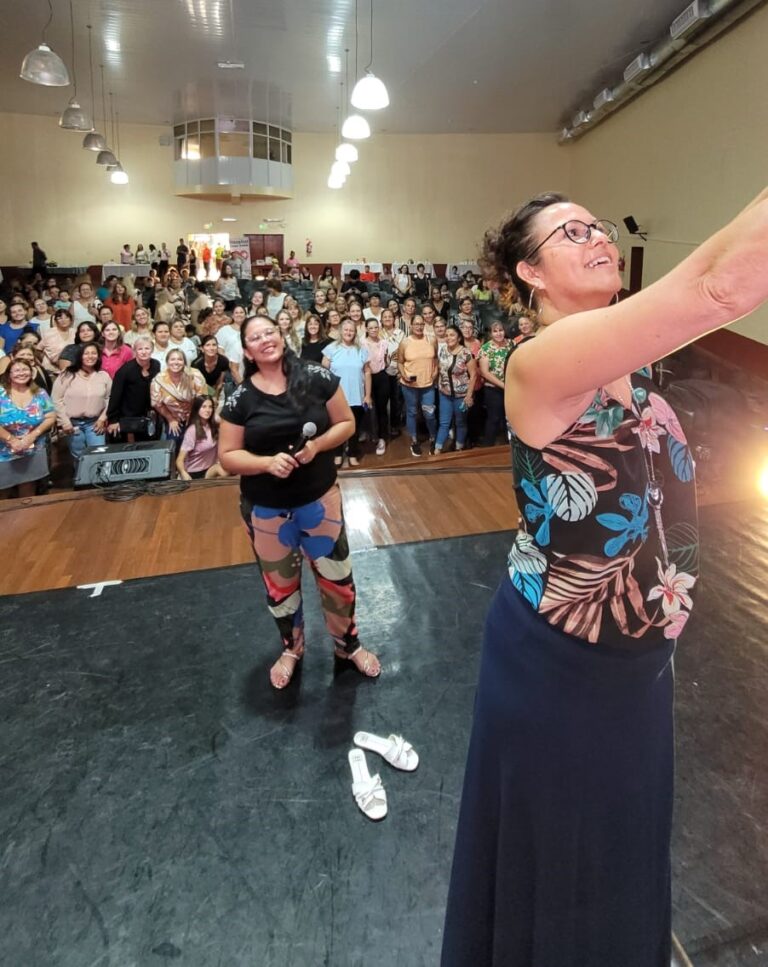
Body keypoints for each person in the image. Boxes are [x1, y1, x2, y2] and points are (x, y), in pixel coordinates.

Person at [439, 190, 765, 966]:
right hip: (559, 669)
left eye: (599, 227)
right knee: (567, 868)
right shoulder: (541, 361)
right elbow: (719, 287)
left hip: (640, 670)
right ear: (529, 272)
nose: (597, 239)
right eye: (571, 232)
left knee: (622, 856)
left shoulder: (638, 375)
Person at [218, 315, 381, 688]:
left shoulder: (316, 377)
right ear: (246, 350)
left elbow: (346, 424)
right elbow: (227, 457)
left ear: (282, 336)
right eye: (255, 337)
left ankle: (348, 646)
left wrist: (317, 446)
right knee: (281, 588)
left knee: (338, 580)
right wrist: (264, 463)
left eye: (270, 332)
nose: (265, 340)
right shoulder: (240, 398)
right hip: (266, 510)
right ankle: (292, 648)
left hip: (319, 501)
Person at [0, 357, 55, 497]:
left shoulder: (40, 393)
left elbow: (50, 417)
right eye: (16, 370)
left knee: (28, 489)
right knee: (3, 491)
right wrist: (12, 440)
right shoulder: (1, 393)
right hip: (4, 452)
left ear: (31, 373)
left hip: (33, 449)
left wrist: (32, 436)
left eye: (25, 370)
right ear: (9, 374)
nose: (21, 373)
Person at [322, 320, 371, 467]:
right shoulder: (331, 348)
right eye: (346, 330)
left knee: (354, 428)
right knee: (337, 427)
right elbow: (324, 373)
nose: (349, 332)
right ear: (341, 332)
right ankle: (337, 454)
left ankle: (352, 454)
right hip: (337, 396)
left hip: (357, 396)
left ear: (355, 333)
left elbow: (367, 372)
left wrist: (368, 395)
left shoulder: (362, 350)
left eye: (351, 330)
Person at [51, 343, 112, 463]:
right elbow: (56, 399)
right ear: (80, 356)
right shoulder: (66, 375)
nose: (90, 356)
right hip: (72, 424)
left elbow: (110, 398)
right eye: (86, 353)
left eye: (94, 353)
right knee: (79, 456)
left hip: (95, 423)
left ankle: (98, 481)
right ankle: (82, 481)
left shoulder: (103, 376)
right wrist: (64, 422)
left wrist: (103, 418)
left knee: (99, 454)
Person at [396, 314, 437, 456]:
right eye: (416, 324)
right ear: (411, 326)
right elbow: (400, 362)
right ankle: (414, 441)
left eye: (421, 324)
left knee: (429, 413)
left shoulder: (431, 340)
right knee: (412, 412)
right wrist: (404, 375)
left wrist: (435, 373)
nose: (419, 326)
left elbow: (435, 359)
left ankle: (433, 438)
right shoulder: (405, 343)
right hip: (409, 385)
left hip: (428, 384)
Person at [106, 336, 160, 441]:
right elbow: (115, 396)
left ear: (152, 350)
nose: (144, 352)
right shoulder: (125, 371)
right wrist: (113, 420)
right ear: (134, 351)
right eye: (140, 349)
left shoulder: (156, 365)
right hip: (129, 419)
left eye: (147, 348)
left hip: (150, 416)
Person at [150, 348, 206, 446]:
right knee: (173, 442)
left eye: (180, 359)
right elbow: (157, 404)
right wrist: (170, 419)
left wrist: (196, 419)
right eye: (172, 359)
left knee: (198, 444)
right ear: (167, 362)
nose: (176, 362)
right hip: (173, 417)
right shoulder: (158, 380)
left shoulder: (194, 375)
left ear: (184, 362)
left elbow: (203, 400)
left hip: (195, 416)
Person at [434, 325, 476, 454]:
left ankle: (459, 448)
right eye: (446, 335)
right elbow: (440, 370)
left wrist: (469, 396)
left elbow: (473, 375)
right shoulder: (443, 351)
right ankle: (437, 449)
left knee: (460, 422)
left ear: (458, 337)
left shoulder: (466, 353)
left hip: (461, 396)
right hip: (445, 394)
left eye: (452, 335)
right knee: (444, 423)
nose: (448, 338)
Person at [176, 395, 227, 480]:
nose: (207, 410)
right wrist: (183, 473)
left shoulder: (214, 426)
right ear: (197, 409)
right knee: (222, 470)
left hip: (209, 469)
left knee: (225, 470)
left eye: (210, 407)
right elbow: (179, 460)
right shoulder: (192, 431)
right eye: (204, 407)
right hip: (194, 473)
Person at [477, 320, 512, 446]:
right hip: (493, 389)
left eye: (501, 330)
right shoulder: (486, 348)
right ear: (491, 334)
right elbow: (485, 373)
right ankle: (488, 448)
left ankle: (511, 447)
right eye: (495, 331)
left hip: (511, 388)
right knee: (494, 419)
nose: (498, 334)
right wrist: (504, 386)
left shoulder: (511, 344)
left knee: (510, 419)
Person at [364, 318, 390, 455]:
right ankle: (370, 434)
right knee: (369, 408)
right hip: (366, 378)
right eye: (371, 328)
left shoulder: (384, 343)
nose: (374, 330)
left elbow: (386, 359)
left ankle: (382, 438)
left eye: (376, 327)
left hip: (381, 377)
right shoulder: (361, 343)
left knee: (381, 409)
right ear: (366, 329)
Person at [380, 307, 404, 437]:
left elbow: (405, 351)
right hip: (381, 372)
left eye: (390, 316)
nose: (388, 319)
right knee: (382, 401)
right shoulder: (377, 333)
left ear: (394, 319)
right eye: (385, 317)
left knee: (396, 400)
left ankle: (395, 425)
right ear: (381, 320)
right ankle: (382, 427)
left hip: (397, 371)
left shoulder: (400, 333)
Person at [214, 304, 246, 383]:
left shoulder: (249, 329)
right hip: (229, 369)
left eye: (241, 312)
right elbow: (219, 349)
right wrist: (229, 365)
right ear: (232, 315)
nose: (239, 314)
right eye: (236, 312)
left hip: (246, 367)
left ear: (245, 315)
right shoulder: (224, 330)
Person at [192, 334, 231, 399]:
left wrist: (216, 397)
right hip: (199, 390)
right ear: (202, 349)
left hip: (215, 389)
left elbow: (220, 383)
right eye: (208, 345)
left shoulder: (223, 361)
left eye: (214, 345)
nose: (211, 348)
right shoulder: (196, 364)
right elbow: (197, 386)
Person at [41, 307, 75, 374]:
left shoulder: (75, 332)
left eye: (66, 317)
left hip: (70, 370)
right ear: (56, 321)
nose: (63, 320)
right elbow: (38, 349)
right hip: (50, 370)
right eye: (60, 318)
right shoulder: (49, 332)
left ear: (71, 320)